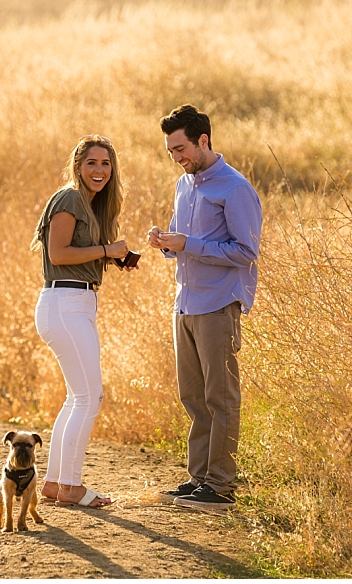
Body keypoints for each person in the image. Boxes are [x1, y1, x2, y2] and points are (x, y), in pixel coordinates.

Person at [147, 104, 262, 510]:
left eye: (180, 150)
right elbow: (186, 244)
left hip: (218, 305)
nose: (176, 159)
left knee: (221, 397)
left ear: (203, 141)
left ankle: (221, 487)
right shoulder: (185, 185)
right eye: (170, 152)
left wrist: (188, 245)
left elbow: (246, 252)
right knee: (193, 397)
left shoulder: (235, 188)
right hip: (185, 303)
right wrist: (166, 243)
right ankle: (200, 479)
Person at [32, 134, 137, 508]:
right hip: (65, 301)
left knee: (77, 398)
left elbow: (75, 252)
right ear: (78, 166)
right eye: (92, 163)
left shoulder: (90, 206)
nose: (99, 170)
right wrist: (107, 249)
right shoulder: (70, 198)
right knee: (89, 398)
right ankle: (72, 488)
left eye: (106, 164)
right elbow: (58, 253)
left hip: (76, 301)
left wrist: (108, 259)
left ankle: (55, 483)